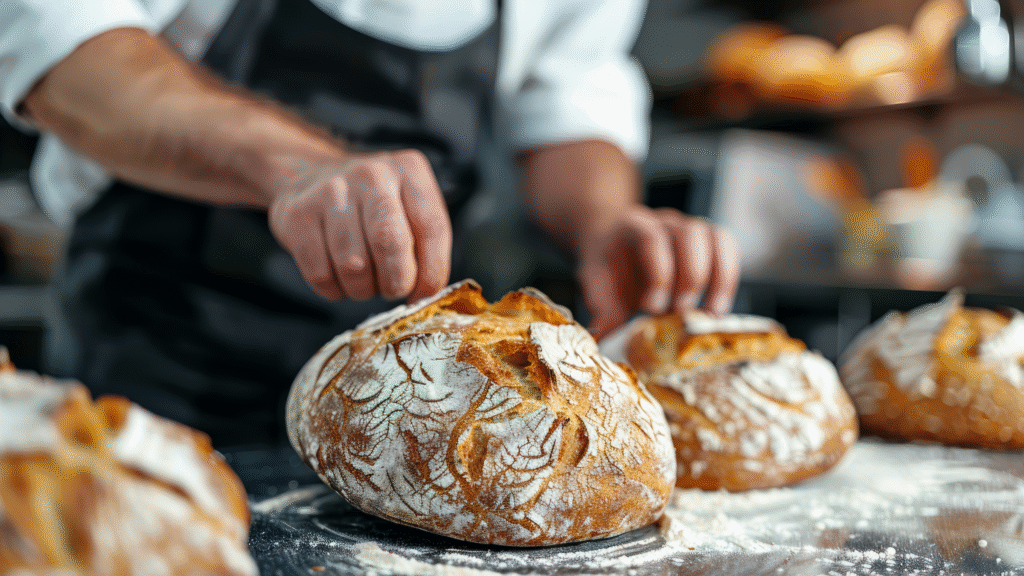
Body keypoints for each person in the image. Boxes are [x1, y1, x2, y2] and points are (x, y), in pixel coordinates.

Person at [0, 0, 740, 447]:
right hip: (160, 360)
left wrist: (605, 220)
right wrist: (294, 166)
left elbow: (568, 91)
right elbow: (65, 51)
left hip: (413, 422)